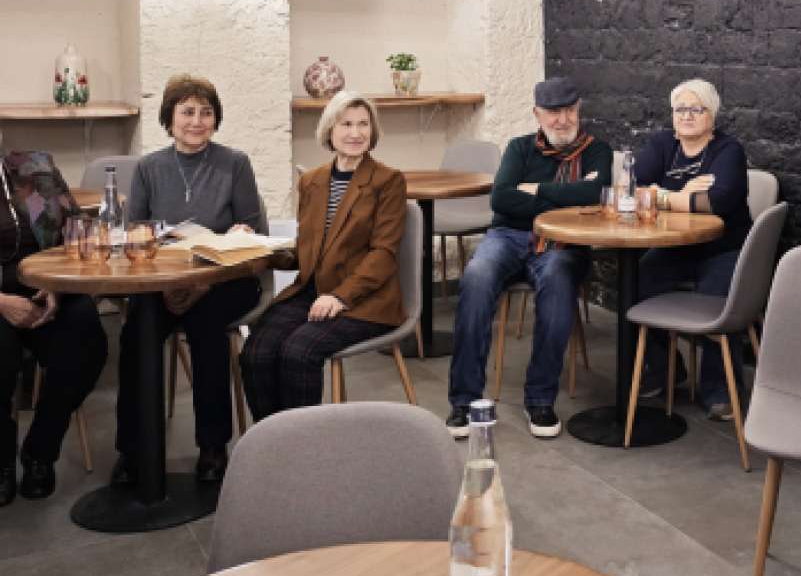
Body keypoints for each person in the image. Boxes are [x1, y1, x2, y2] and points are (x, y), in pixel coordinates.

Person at [113, 73, 265, 485]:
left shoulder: (235, 163)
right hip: (163, 281)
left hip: (225, 280)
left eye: (206, 112)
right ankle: (133, 447)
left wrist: (237, 239)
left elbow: (254, 231)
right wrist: (169, 282)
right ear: (169, 117)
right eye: (187, 112)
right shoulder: (149, 167)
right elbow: (136, 233)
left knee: (205, 325)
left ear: (216, 118)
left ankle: (213, 446)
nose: (197, 121)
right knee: (136, 331)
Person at [447, 77, 612, 441]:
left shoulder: (597, 151)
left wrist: (536, 190)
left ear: (579, 110)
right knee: (476, 277)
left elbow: (594, 195)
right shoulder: (520, 148)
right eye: (553, 112)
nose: (562, 120)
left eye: (569, 110)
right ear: (537, 114)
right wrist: (567, 196)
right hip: (508, 235)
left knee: (557, 280)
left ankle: (539, 399)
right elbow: (501, 200)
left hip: (563, 243)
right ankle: (464, 401)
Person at [241, 93, 406, 418]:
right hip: (312, 292)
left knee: (298, 353)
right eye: (346, 124)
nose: (356, 133)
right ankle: (272, 440)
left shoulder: (388, 181)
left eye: (363, 124)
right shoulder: (311, 181)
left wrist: (340, 297)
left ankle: (304, 445)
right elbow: (307, 249)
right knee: (255, 352)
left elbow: (384, 254)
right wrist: (261, 247)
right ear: (330, 129)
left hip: (364, 299)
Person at [633, 79, 751, 419]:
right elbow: (636, 188)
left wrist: (664, 195)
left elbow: (719, 202)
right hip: (676, 246)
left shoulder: (728, 150)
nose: (687, 116)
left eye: (696, 109)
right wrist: (687, 195)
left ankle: (720, 389)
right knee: (636, 282)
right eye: (680, 109)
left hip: (723, 247)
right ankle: (665, 370)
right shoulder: (662, 144)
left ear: (711, 115)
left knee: (716, 300)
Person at [0, 151, 108, 503]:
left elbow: (78, 232)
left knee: (86, 341)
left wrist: (57, 285)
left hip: (45, 291)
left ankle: (40, 451)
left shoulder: (35, 167)